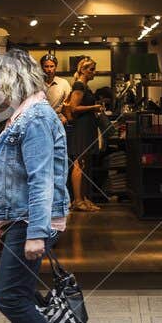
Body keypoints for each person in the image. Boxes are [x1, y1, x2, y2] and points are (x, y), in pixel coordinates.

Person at [0, 50, 97, 323]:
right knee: (21, 301)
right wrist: (3, 219)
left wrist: (36, 233)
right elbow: (14, 176)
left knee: (10, 299)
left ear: (15, 80)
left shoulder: (35, 118)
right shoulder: (24, 115)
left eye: (0, 83)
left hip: (32, 222)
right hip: (20, 219)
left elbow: (42, 179)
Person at [64, 57, 103, 211]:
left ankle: (84, 198)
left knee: (84, 163)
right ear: (82, 70)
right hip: (81, 127)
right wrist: (94, 107)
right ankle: (78, 200)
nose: (94, 72)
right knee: (79, 162)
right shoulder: (79, 85)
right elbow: (73, 108)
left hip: (87, 127)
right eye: (91, 69)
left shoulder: (84, 85)